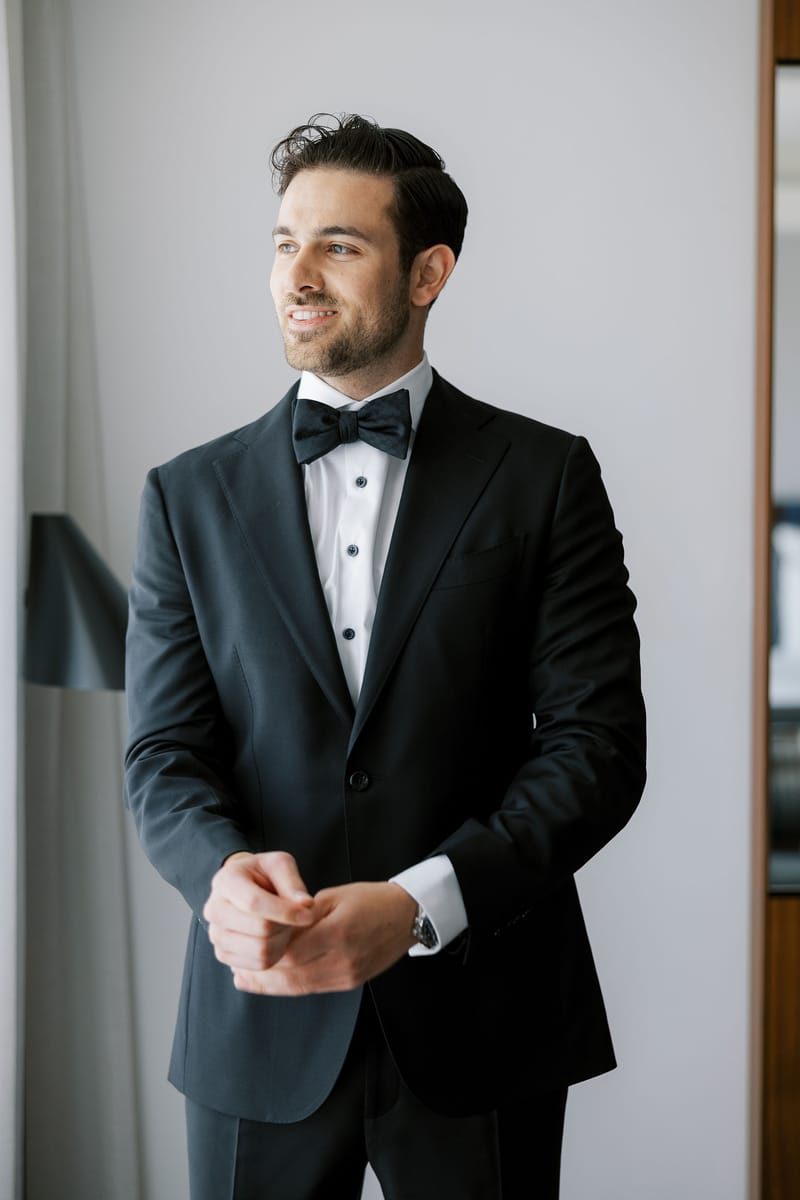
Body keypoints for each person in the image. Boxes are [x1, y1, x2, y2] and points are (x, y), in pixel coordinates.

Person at [124, 113, 646, 1200]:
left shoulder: (543, 477)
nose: (297, 275)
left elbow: (597, 750)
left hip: (484, 1014)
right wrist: (220, 877)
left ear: (428, 273)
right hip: (254, 1024)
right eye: (282, 243)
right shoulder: (185, 497)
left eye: (338, 246)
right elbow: (164, 754)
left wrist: (419, 903)